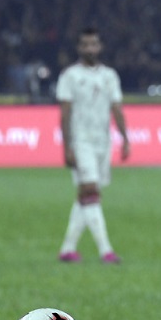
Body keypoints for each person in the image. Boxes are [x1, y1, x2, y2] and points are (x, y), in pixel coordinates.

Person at [56, 27, 129, 263]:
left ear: (100, 47)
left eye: (94, 44)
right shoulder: (70, 76)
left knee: (86, 196)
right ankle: (105, 250)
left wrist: (125, 138)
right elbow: (65, 113)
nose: (90, 48)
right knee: (90, 190)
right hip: (81, 140)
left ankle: (67, 248)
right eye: (85, 44)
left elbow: (117, 108)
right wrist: (67, 146)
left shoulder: (109, 76)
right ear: (79, 48)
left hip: (102, 142)